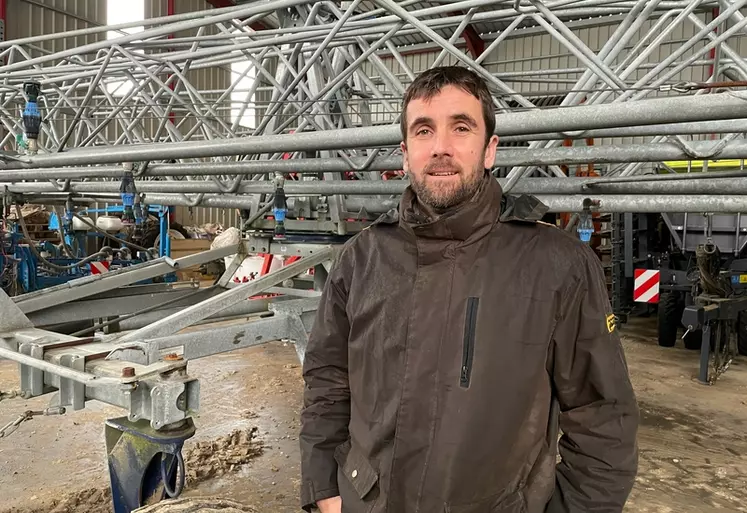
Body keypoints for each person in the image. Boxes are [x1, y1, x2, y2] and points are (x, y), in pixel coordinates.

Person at [299, 66, 639, 513]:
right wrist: (324, 489)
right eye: (424, 130)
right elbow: (328, 380)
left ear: (489, 149)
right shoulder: (362, 259)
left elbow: (603, 414)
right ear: (405, 153)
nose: (440, 147)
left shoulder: (556, 265)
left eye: (461, 127)